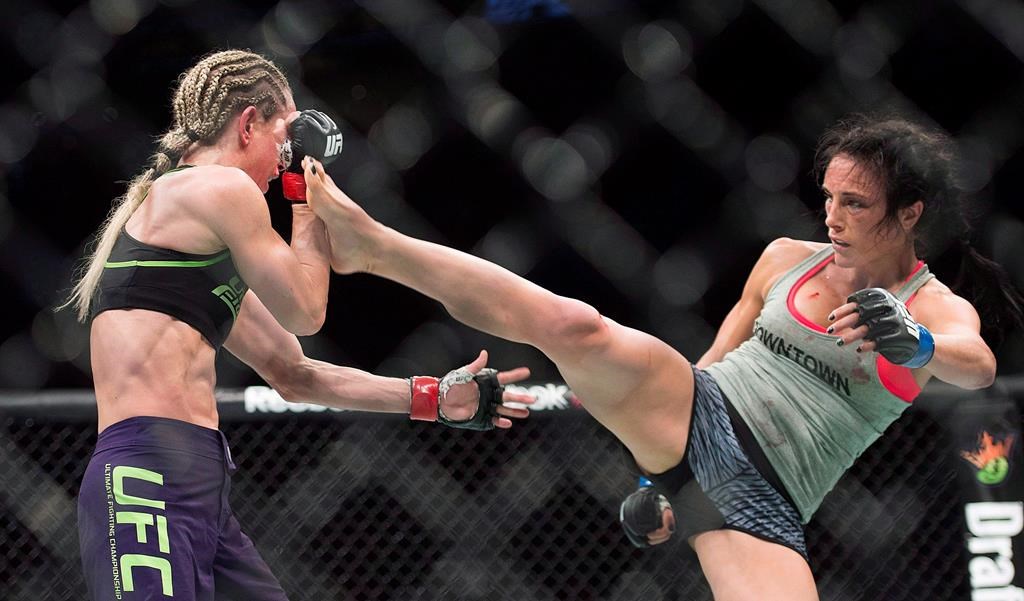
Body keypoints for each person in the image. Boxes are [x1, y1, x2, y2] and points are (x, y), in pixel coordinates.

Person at [301, 114, 1023, 600]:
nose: (831, 216)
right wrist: (659, 470)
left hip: (765, 501)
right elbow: (710, 364)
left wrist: (915, 341)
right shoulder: (784, 261)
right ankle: (371, 244)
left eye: (856, 203)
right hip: (702, 412)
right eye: (828, 197)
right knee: (575, 324)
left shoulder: (931, 305)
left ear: (909, 214)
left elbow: (977, 363)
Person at [63, 49, 533, 601]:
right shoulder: (214, 188)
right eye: (285, 140)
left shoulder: (197, 248)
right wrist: (305, 197)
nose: (286, 159)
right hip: (146, 475)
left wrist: (430, 397)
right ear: (247, 125)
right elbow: (306, 311)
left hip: (199, 482)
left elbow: (295, 372)